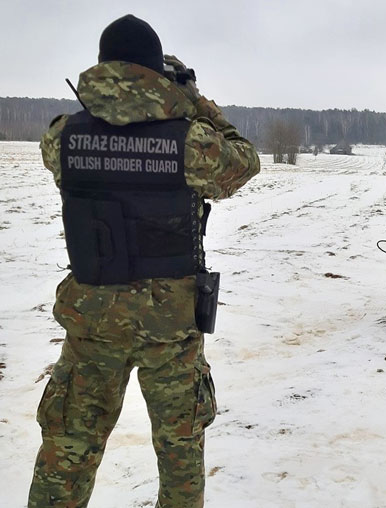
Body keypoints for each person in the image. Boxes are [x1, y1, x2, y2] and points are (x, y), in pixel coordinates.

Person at [28, 14, 260, 508]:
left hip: (93, 324)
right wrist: (195, 101)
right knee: (179, 453)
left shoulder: (63, 139)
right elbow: (244, 161)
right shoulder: (190, 143)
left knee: (68, 450)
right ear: (156, 73)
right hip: (171, 327)